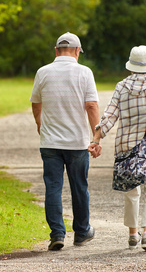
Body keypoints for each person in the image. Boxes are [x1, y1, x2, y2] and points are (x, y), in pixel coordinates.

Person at [88, 45, 146, 252]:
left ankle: (132, 233)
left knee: (131, 189)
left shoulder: (121, 87)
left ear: (131, 65)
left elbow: (109, 116)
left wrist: (96, 139)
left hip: (127, 147)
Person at [30, 32, 100, 251]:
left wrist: (41, 125)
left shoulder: (43, 72)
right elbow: (91, 106)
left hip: (50, 143)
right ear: (78, 51)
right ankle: (81, 232)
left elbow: (36, 103)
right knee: (79, 187)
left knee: (53, 187)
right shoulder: (84, 72)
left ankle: (57, 234)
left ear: (56, 50)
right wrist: (96, 137)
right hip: (77, 143)